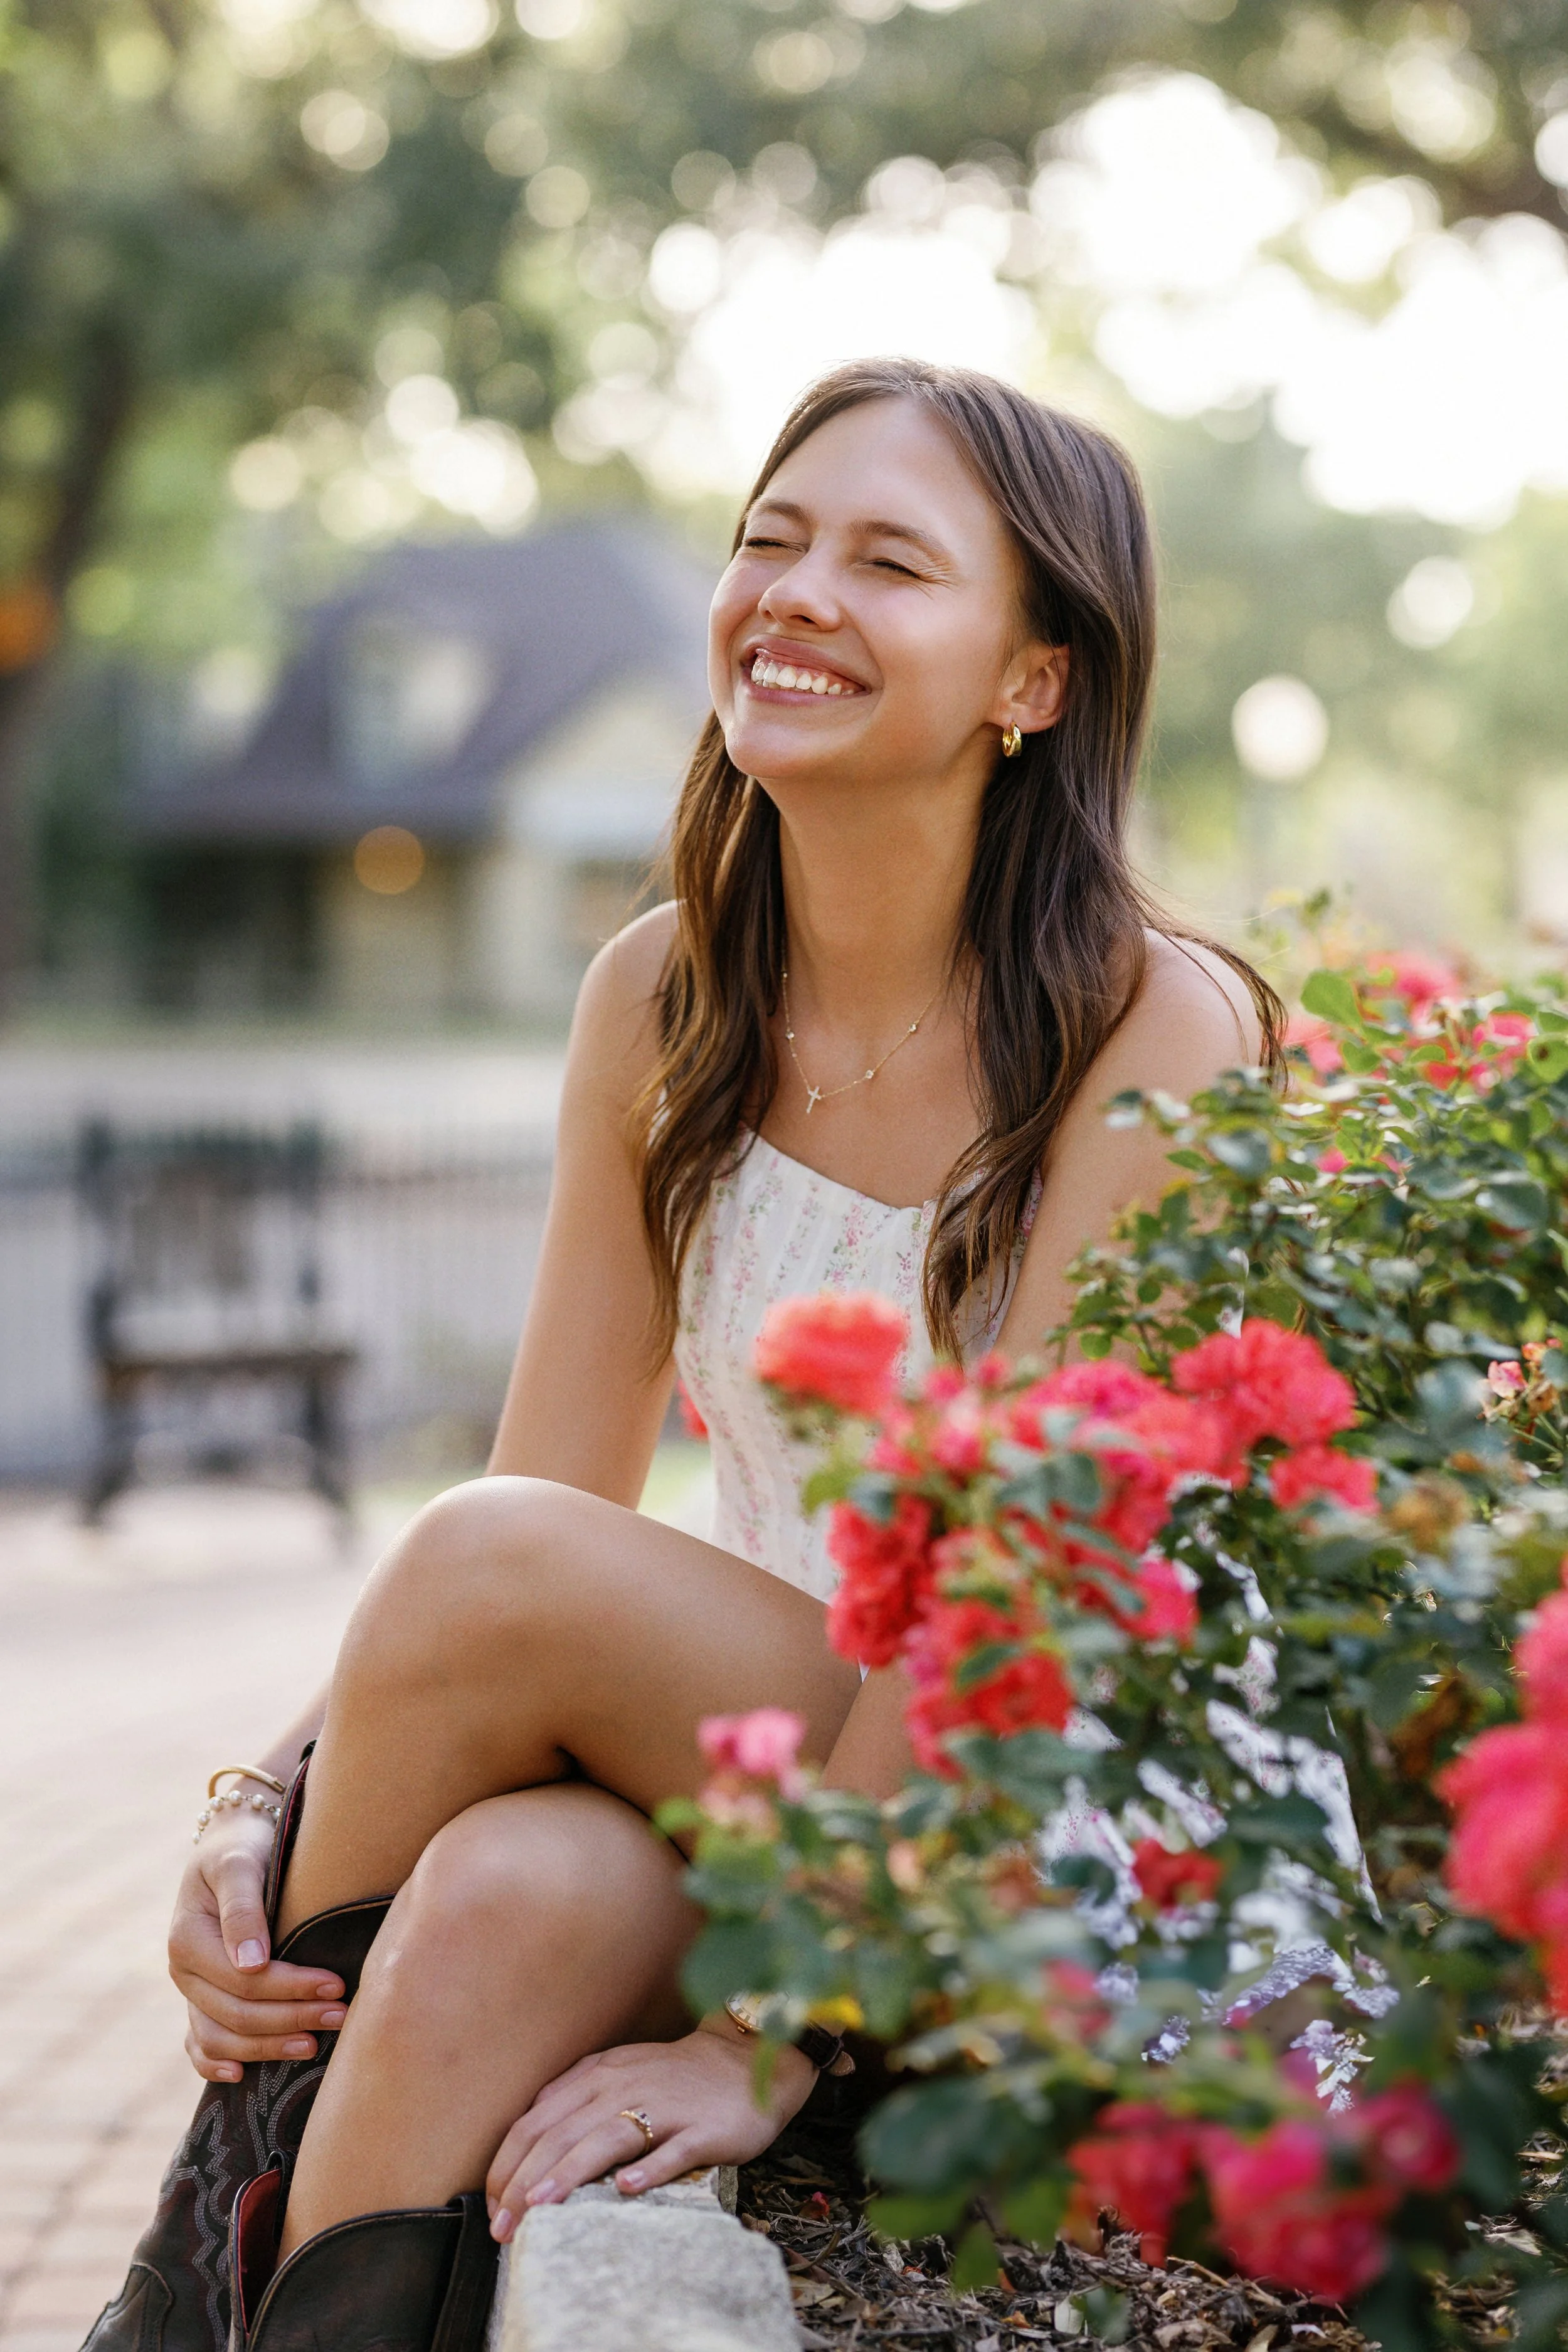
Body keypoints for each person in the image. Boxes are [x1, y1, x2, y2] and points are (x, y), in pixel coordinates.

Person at [85, 358, 1281, 2352]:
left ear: (1033, 677)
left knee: (486, 1555)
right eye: (769, 538)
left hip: (1058, 1816)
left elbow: (1017, 1590)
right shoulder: (663, 994)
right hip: (776, 1784)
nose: (796, 591)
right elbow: (548, 1484)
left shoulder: (1150, 1026)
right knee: (494, 1897)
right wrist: (252, 1804)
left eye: (888, 560)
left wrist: (767, 2033)